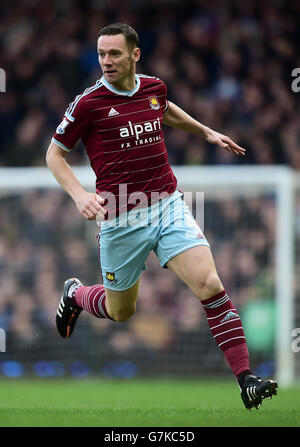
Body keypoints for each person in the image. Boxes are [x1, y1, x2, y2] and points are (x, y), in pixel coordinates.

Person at [46, 23, 277, 410]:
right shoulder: (88, 103)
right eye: (102, 54)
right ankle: (76, 294)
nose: (106, 61)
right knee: (122, 312)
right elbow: (54, 154)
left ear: (135, 55)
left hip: (168, 204)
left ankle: (245, 380)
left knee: (210, 284)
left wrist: (207, 133)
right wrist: (79, 195)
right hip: (120, 216)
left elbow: (163, 110)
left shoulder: (154, 87)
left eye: (115, 53)